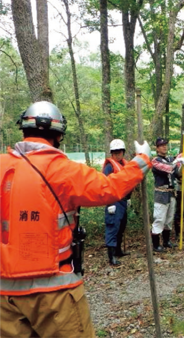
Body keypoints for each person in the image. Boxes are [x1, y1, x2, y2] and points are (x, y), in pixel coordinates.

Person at [0, 101, 152, 338]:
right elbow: (109, 188)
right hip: (54, 290)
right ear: (59, 136)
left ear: (23, 129)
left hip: (4, 297)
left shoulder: (1, 166)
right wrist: (142, 160)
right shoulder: (64, 170)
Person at [151, 138, 184, 252]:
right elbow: (168, 168)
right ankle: (156, 245)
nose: (164, 147)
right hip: (161, 193)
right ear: (157, 148)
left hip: (172, 193)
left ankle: (166, 241)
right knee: (159, 219)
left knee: (169, 219)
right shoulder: (155, 161)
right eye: (161, 145)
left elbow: (177, 173)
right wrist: (177, 162)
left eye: (165, 145)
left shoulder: (170, 159)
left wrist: (182, 164)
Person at [103, 139, 132, 266]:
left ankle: (119, 250)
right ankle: (111, 256)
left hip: (123, 201)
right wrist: (109, 203)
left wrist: (129, 198)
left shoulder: (125, 165)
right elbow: (104, 184)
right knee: (112, 228)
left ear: (123, 152)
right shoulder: (109, 166)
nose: (117, 154)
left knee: (121, 226)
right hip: (113, 202)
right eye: (115, 152)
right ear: (112, 153)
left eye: (119, 151)